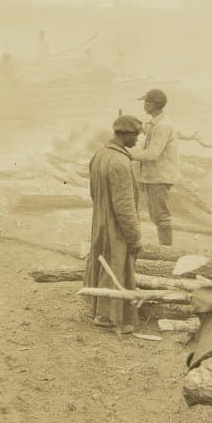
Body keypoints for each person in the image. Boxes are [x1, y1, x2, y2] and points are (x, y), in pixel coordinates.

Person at [85, 114, 143, 334]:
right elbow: (125, 207)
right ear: (124, 134)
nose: (137, 139)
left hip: (100, 219)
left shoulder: (100, 155)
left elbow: (93, 192)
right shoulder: (120, 163)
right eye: (135, 135)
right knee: (116, 263)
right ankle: (108, 316)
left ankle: (98, 307)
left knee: (101, 258)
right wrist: (134, 237)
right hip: (115, 225)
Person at [128, 88, 179, 247]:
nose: (144, 105)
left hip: (159, 177)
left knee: (161, 215)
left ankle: (166, 251)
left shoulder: (163, 126)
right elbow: (144, 146)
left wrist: (128, 154)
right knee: (154, 214)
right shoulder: (154, 123)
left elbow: (153, 153)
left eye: (146, 102)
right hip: (151, 176)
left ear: (154, 105)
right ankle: (164, 249)